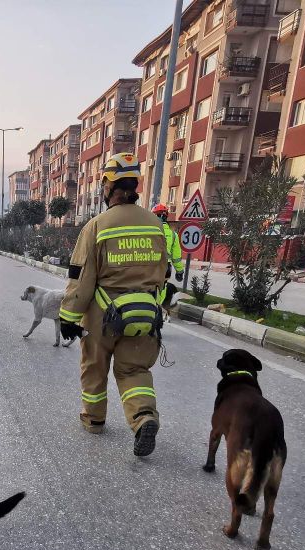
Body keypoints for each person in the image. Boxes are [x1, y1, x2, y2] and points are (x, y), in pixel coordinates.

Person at [58, 153, 170, 457]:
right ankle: (143, 417)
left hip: (102, 317)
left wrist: (68, 317)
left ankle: (94, 420)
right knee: (134, 370)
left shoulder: (98, 226)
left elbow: (81, 279)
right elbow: (163, 274)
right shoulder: (155, 225)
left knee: (94, 368)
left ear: (107, 185)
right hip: (145, 315)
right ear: (136, 184)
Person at [152, 203, 185, 282]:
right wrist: (179, 272)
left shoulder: (148, 232)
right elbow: (176, 257)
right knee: (162, 289)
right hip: (165, 267)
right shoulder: (173, 235)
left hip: (150, 267)